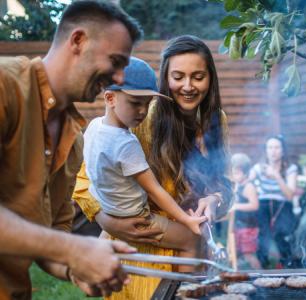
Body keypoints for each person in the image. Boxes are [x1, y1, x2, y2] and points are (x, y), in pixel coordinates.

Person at [0, 1, 144, 299]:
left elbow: (55, 230)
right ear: (78, 41)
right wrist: (73, 250)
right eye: (115, 61)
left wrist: (75, 269)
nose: (119, 78)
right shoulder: (5, 86)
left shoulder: (75, 138)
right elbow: (61, 243)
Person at [73, 35, 234, 300]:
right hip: (141, 249)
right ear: (165, 78)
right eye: (178, 76)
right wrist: (109, 221)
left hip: (192, 250)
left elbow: (225, 183)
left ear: (210, 79)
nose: (188, 86)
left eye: (198, 76)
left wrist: (215, 200)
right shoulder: (141, 115)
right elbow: (87, 179)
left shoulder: (217, 121)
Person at [84, 57, 207, 250]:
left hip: (108, 206)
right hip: (135, 217)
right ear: (110, 98)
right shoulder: (126, 144)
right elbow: (154, 190)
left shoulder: (93, 126)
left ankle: (92, 266)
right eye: (135, 103)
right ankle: (185, 282)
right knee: (192, 240)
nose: (142, 111)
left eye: (147, 103)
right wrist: (186, 220)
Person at [249, 135, 298, 269]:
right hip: (264, 204)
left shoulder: (290, 168)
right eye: (270, 147)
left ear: (283, 151)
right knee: (263, 234)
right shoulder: (259, 168)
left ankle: (288, 265)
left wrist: (276, 175)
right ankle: (264, 265)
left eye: (277, 147)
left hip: (283, 205)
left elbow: (289, 195)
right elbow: (245, 181)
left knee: (281, 234)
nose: (273, 151)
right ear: (265, 150)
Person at [230, 153, 262, 270]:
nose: (234, 176)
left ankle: (261, 275)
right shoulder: (239, 185)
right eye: (232, 173)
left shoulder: (249, 186)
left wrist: (237, 206)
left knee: (248, 254)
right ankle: (237, 275)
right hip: (239, 225)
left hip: (249, 227)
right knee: (237, 253)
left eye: (236, 173)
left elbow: (254, 205)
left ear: (245, 173)